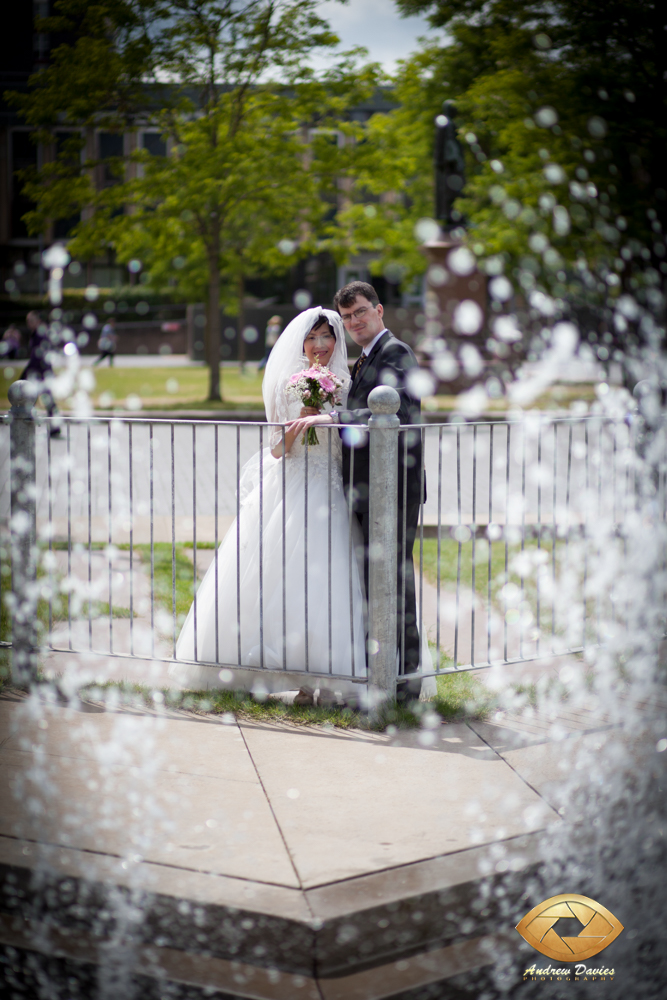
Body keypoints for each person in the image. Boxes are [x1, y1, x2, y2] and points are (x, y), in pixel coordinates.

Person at [176, 307, 366, 676]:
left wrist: (327, 416)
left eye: (326, 336)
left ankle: (324, 674)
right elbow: (278, 449)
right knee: (279, 574)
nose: (319, 345)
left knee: (328, 579)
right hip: (291, 485)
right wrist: (304, 415)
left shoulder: (348, 384)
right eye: (311, 338)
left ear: (337, 340)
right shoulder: (287, 385)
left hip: (332, 487)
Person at [287, 281, 434, 700]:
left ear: (380, 310)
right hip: (368, 489)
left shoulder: (397, 353)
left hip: (393, 488)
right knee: (375, 583)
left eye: (361, 313)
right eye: (348, 317)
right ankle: (382, 673)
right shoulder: (365, 359)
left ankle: (404, 684)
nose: (354, 322)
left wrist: (333, 419)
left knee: (393, 583)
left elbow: (396, 409)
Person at [21, 310, 60, 434]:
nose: (29, 324)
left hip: (40, 373)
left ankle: (28, 424)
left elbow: (38, 356)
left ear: (38, 321)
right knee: (34, 399)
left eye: (31, 321)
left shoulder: (40, 334)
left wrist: (26, 373)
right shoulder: (38, 333)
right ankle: (30, 424)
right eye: (27, 321)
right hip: (40, 373)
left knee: (39, 399)